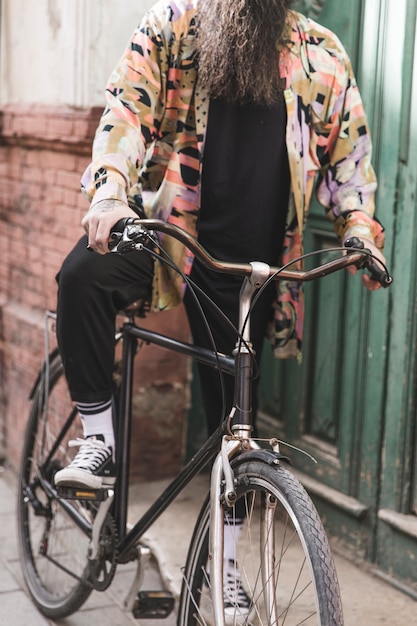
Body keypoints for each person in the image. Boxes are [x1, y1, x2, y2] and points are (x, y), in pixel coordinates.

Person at [54, 0, 386, 497]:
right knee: (84, 275)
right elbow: (127, 110)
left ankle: (223, 570)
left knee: (233, 446)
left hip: (253, 269)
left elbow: (349, 156)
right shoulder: (172, 25)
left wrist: (358, 227)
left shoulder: (322, 53)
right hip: (169, 240)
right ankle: (99, 437)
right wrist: (110, 194)